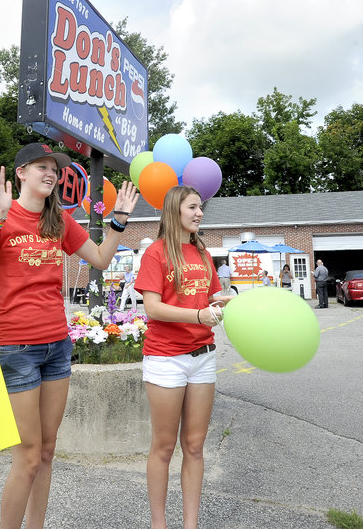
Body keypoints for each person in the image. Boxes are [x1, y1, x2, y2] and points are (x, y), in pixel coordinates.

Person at [0, 142, 138, 529]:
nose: (51, 174)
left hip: (57, 346)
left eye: (55, 169)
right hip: (15, 347)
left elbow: (100, 259)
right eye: (41, 166)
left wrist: (120, 220)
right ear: (21, 174)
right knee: (26, 454)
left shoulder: (58, 221)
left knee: (46, 450)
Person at [134, 185, 234, 529]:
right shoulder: (156, 253)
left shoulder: (203, 254)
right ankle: (158, 524)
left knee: (194, 446)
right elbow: (152, 307)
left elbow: (210, 297)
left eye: (201, 208)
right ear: (175, 210)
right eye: (193, 207)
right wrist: (196, 316)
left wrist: (226, 299)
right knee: (163, 447)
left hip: (203, 357)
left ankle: (191, 524)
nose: (200, 213)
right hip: (166, 358)